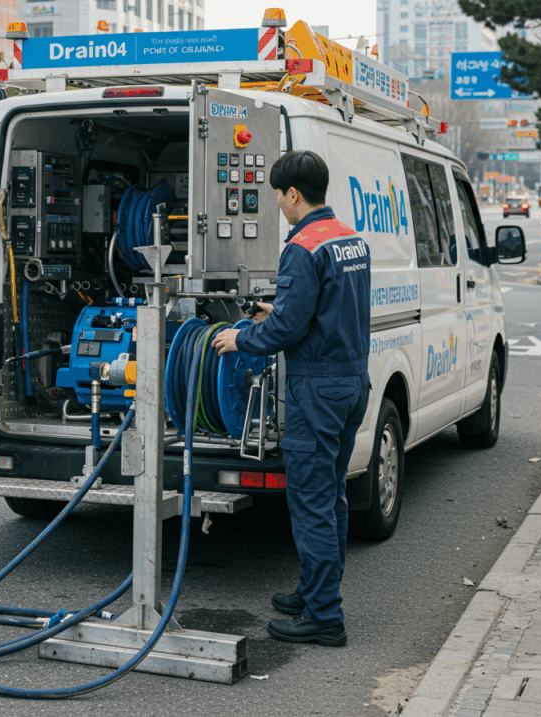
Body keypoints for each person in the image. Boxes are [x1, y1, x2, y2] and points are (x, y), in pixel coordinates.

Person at [211, 150, 371, 647]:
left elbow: (288, 327)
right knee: (333, 494)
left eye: (278, 194)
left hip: (316, 389)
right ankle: (314, 591)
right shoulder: (349, 238)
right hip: (350, 383)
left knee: (311, 501)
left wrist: (243, 338)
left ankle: (324, 617)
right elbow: (322, 308)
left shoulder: (302, 246)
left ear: (294, 194)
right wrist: (277, 306)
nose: (277, 203)